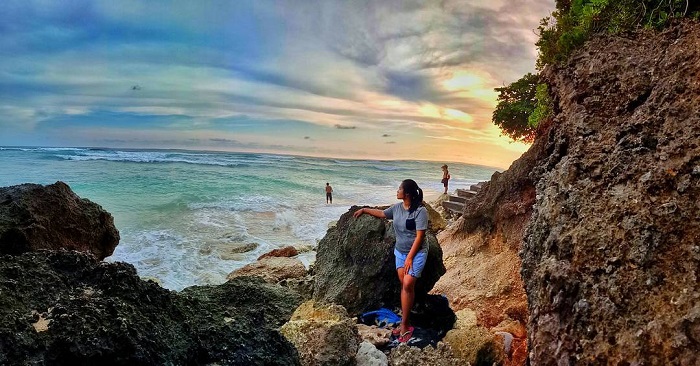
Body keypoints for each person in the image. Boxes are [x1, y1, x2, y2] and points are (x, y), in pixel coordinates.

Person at [352, 179, 428, 343]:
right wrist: (364, 210)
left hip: (417, 253)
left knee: (407, 283)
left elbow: (420, 237)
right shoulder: (397, 208)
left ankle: (405, 325)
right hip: (400, 252)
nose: (397, 191)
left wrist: (410, 258)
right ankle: (405, 319)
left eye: (399, 188)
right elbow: (381, 213)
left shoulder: (420, 211)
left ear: (406, 193)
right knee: (405, 285)